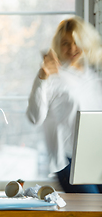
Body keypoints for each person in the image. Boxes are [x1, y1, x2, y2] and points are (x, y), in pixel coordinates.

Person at [26, 16, 102, 193]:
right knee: (90, 207)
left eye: (77, 42)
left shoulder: (93, 78)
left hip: (95, 157)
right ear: (58, 46)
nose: (72, 48)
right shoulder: (53, 77)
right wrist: (42, 78)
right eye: (66, 43)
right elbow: (34, 118)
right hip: (67, 160)